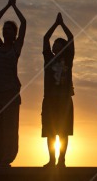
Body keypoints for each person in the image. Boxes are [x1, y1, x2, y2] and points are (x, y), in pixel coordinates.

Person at [0, 0, 26, 167]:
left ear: (14, 33)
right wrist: (6, 6)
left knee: (9, 127)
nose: (5, 31)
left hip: (10, 91)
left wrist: (14, 7)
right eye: (4, 29)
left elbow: (24, 23)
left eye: (9, 29)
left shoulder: (16, 47)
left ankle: (6, 159)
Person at [42, 12, 75, 168]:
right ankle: (51, 160)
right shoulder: (48, 58)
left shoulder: (68, 58)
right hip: (49, 100)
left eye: (58, 43)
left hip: (64, 101)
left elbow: (71, 38)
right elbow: (45, 39)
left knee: (63, 132)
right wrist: (55, 24)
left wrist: (62, 24)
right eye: (54, 44)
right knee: (49, 132)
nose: (55, 45)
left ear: (63, 47)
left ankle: (61, 160)